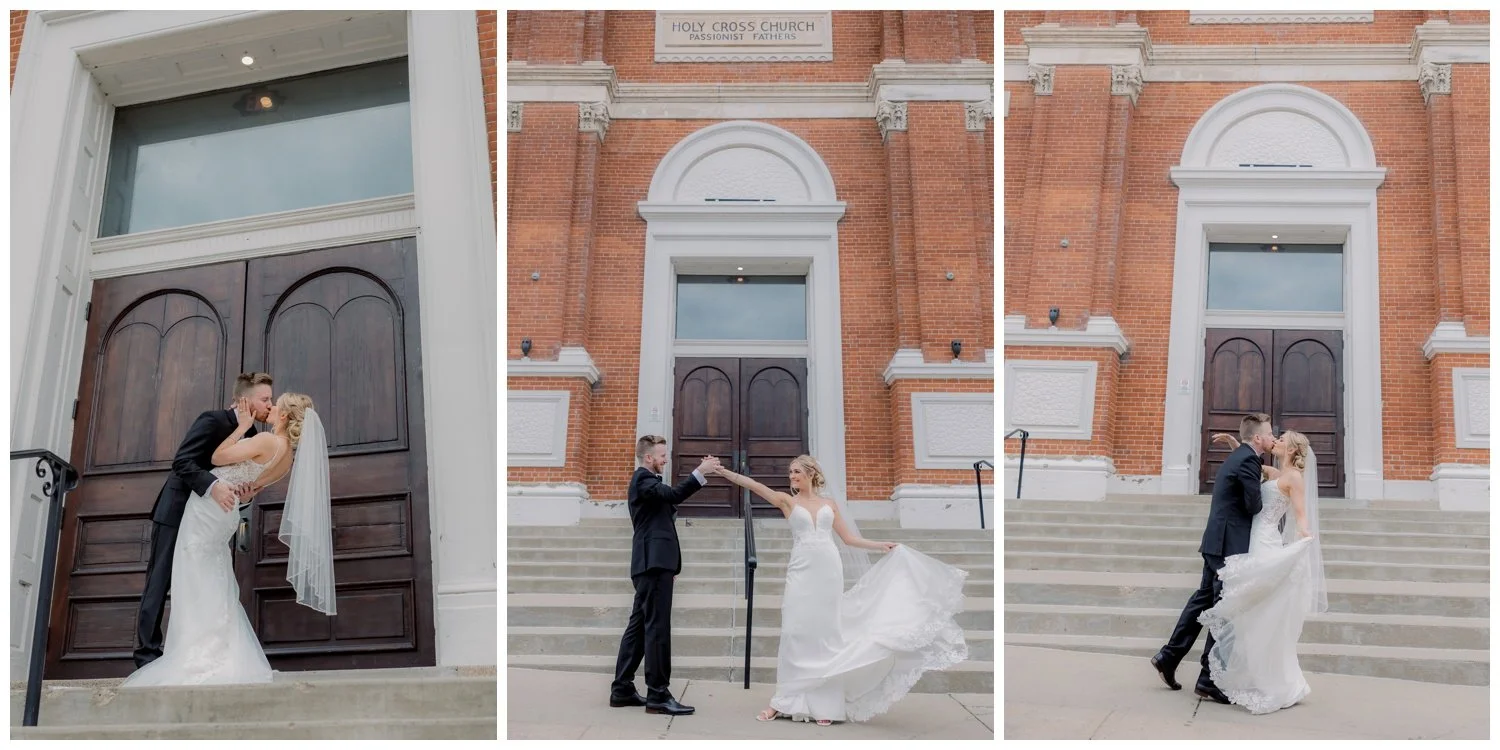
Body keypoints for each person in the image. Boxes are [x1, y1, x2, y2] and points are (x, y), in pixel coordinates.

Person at [714, 455, 969, 726]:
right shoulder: (787, 501)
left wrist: (879, 545)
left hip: (828, 571)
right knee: (794, 631)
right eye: (790, 472)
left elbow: (848, 539)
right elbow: (754, 486)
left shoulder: (830, 504)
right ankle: (783, 701)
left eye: (797, 472)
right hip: (801, 571)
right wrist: (723, 472)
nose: (792, 477)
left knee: (826, 633)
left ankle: (825, 703)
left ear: (811, 473)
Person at [122, 392, 334, 687]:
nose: (271, 407)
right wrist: (244, 493)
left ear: (285, 416)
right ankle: (220, 651)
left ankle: (195, 654)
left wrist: (241, 427)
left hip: (208, 510)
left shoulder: (266, 440)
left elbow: (217, 458)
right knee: (212, 576)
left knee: (193, 576)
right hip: (227, 512)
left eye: (275, 404)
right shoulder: (287, 459)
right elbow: (250, 490)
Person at [133, 372, 274, 668]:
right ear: (244, 400)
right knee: (159, 581)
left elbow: (235, 480)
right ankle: (147, 657)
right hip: (177, 510)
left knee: (200, 584)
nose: (270, 405)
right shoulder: (212, 420)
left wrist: (245, 496)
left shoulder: (251, 436)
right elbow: (182, 461)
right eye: (265, 399)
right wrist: (213, 486)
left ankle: (197, 654)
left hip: (208, 522)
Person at [1197, 429, 1327, 714]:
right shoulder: (1274, 472)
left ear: (1291, 450)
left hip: (1265, 541)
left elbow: (1301, 515)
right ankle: (1234, 673)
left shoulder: (1294, 478)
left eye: (1281, 440)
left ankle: (1264, 678)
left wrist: (1305, 537)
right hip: (1251, 538)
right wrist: (1236, 444)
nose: (1275, 441)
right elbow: (1248, 461)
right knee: (1246, 608)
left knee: (1255, 607)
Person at [1152, 412, 1276, 703]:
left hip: (1216, 541)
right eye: (1270, 434)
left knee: (1203, 600)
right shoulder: (1248, 461)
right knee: (1226, 608)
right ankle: (1208, 678)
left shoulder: (1241, 456)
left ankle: (1168, 657)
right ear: (1258, 437)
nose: (1273, 438)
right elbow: (1253, 506)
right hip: (1227, 545)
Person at [609, 435, 721, 716]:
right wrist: (700, 472)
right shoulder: (643, 479)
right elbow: (673, 495)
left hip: (654, 564)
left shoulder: (649, 483)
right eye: (662, 455)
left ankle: (622, 689)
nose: (666, 459)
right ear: (648, 458)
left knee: (638, 627)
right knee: (657, 629)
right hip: (653, 564)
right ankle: (658, 694)